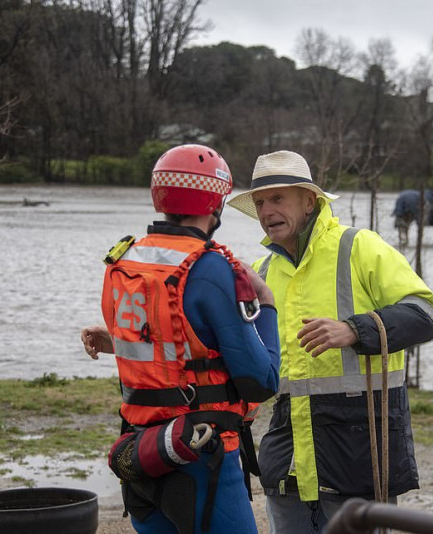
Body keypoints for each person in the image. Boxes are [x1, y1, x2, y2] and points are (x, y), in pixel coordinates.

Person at [225, 150, 433, 533]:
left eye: (277, 198)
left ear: (309, 201)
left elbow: (425, 315)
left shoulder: (359, 246)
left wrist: (355, 330)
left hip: (357, 455)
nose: (266, 210)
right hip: (287, 460)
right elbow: (254, 359)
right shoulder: (262, 273)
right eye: (260, 202)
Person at [81, 144, 280, 534]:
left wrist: (110, 341)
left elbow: (162, 344)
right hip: (202, 455)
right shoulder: (209, 267)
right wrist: (267, 305)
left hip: (140, 453)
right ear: (215, 202)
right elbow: (262, 379)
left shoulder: (123, 261)